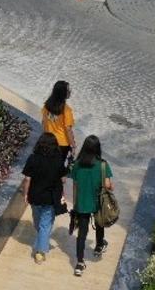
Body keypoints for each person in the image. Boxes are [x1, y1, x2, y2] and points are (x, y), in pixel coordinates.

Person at [68, 135, 114, 277]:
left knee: (82, 234)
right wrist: (111, 186)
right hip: (98, 202)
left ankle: (80, 263)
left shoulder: (77, 164)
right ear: (98, 148)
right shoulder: (102, 165)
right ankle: (99, 246)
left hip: (82, 203)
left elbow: (75, 183)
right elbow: (107, 185)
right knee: (99, 224)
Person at [21, 133, 69, 264]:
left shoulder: (32, 158)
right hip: (51, 197)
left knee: (38, 223)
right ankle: (40, 252)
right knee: (45, 225)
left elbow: (27, 179)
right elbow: (63, 179)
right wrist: (63, 194)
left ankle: (40, 249)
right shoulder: (59, 160)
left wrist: (25, 194)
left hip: (35, 196)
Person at [41, 80, 76, 166]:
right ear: (63, 93)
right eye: (68, 90)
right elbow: (68, 130)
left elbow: (44, 122)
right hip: (62, 143)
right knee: (57, 166)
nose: (70, 92)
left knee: (48, 163)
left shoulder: (47, 105)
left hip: (48, 140)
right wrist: (73, 145)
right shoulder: (66, 110)